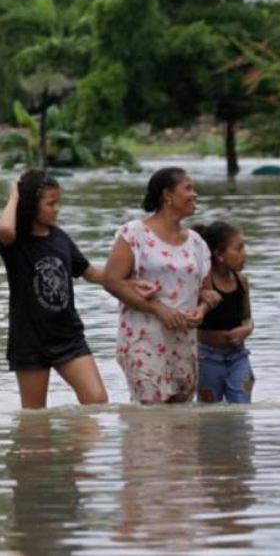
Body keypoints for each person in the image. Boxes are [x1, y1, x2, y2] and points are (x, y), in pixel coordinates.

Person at [0, 170, 152, 408]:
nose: (57, 209)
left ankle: (76, 435)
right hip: (29, 339)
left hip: (68, 335)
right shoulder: (16, 241)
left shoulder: (60, 238)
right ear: (30, 205)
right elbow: (5, 230)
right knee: (34, 415)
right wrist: (14, 197)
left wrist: (128, 281)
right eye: (51, 203)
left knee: (97, 401)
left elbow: (91, 273)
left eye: (58, 202)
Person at [103, 167, 213, 404]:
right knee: (150, 416)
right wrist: (158, 308)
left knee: (182, 420)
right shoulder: (134, 233)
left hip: (183, 342)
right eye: (188, 188)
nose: (194, 194)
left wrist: (202, 310)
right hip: (143, 339)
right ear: (168, 195)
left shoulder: (197, 242)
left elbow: (206, 292)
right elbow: (111, 281)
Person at [193, 220, 255, 403]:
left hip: (238, 356)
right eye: (239, 249)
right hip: (206, 358)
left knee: (241, 408)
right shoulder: (203, 284)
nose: (245, 254)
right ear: (219, 254)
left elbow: (247, 318)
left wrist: (247, 328)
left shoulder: (241, 281)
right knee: (209, 413)